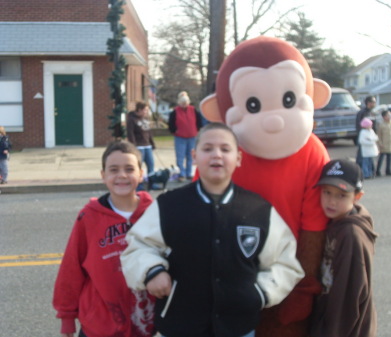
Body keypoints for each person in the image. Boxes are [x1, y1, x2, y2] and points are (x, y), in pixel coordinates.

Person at [120, 122, 304, 337]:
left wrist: (261, 293)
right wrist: (152, 271)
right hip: (178, 326)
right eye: (207, 149)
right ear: (194, 155)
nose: (216, 155)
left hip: (238, 328)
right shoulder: (169, 205)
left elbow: (285, 262)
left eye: (225, 149)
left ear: (238, 158)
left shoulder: (258, 210)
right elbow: (138, 246)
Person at [53, 140, 156, 337]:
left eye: (129, 169)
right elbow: (71, 267)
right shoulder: (89, 216)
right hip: (99, 325)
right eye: (114, 169)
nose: (122, 176)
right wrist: (67, 316)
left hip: (143, 322)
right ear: (103, 175)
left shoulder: (154, 213)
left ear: (141, 173)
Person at [311, 159, 378, 337]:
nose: (331, 201)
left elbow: (348, 299)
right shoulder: (336, 223)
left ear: (357, 196)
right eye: (327, 192)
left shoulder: (351, 235)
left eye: (341, 195)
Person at [168, 91, 203, 181]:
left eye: (186, 103)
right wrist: (175, 131)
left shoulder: (193, 110)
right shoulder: (175, 111)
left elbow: (199, 121)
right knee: (180, 157)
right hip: (180, 137)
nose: (184, 105)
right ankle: (181, 174)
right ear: (179, 103)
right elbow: (171, 124)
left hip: (192, 137)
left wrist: (197, 130)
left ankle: (189, 173)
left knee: (190, 156)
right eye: (182, 103)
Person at [127, 101, 156, 183]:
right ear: (139, 110)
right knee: (139, 166)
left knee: (151, 165)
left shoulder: (146, 119)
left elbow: (149, 132)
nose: (146, 112)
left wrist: (152, 143)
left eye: (147, 110)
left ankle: (152, 182)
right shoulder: (132, 119)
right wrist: (133, 146)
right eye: (144, 110)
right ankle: (139, 183)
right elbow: (130, 134)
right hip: (139, 146)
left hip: (147, 146)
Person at [376, 110, 391, 176]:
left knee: (389, 158)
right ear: (384, 117)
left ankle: (388, 170)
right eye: (388, 115)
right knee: (381, 158)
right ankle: (378, 171)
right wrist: (380, 143)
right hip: (384, 144)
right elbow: (379, 135)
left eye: (390, 115)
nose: (390, 117)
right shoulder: (381, 125)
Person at [355, 96, 377, 167]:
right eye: (373, 102)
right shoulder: (362, 113)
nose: (374, 104)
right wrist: (362, 136)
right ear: (368, 103)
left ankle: (370, 171)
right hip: (364, 138)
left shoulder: (372, 112)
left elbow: (374, 126)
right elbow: (358, 126)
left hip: (371, 138)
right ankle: (359, 170)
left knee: (370, 155)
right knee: (361, 155)